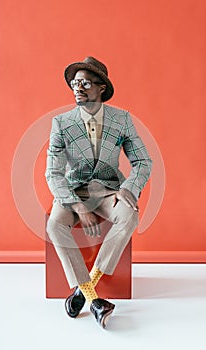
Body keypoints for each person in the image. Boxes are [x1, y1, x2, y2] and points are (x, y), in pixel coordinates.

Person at [45, 56, 152, 328]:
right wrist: (77, 206)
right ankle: (95, 300)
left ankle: (84, 290)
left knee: (129, 216)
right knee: (55, 225)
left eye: (84, 83)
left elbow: (143, 161)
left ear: (101, 87)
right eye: (74, 83)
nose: (77, 88)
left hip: (109, 191)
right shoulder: (61, 123)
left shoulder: (122, 120)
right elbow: (53, 173)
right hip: (73, 192)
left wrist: (128, 188)